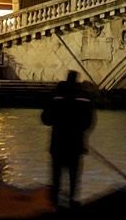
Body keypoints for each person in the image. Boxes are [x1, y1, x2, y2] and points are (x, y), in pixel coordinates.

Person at [41, 71, 95, 207]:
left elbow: (45, 119)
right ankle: (72, 201)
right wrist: (79, 131)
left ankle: (54, 204)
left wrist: (59, 122)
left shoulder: (55, 97)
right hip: (76, 144)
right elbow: (89, 122)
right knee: (73, 178)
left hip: (58, 143)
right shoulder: (84, 98)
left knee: (56, 178)